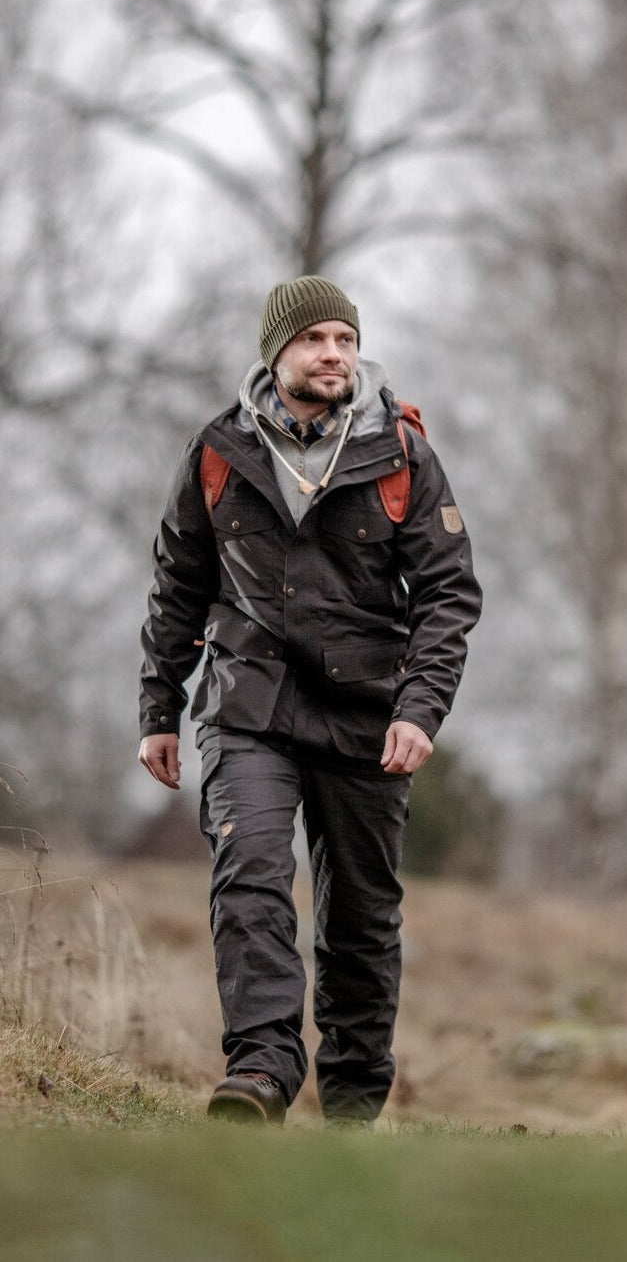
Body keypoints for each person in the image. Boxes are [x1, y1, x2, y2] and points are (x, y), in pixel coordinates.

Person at [138, 275, 482, 1126]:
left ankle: (353, 1103)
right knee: (250, 874)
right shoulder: (217, 450)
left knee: (361, 916)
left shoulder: (401, 454)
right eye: (314, 339)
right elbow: (178, 586)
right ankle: (260, 1067)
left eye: (345, 340)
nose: (333, 354)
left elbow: (448, 594)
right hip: (246, 705)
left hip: (368, 715)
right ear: (276, 353)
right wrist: (158, 709)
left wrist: (420, 708)